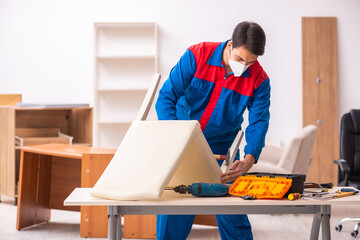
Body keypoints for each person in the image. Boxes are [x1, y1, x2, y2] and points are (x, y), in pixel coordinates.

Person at [155, 21, 270, 240]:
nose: (244, 66)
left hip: (222, 148)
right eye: (240, 59)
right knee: (175, 207)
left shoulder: (259, 79)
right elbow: (166, 97)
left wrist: (250, 157)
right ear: (229, 45)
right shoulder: (197, 55)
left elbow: (259, 121)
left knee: (233, 210)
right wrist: (174, 137)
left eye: (251, 62)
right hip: (183, 140)